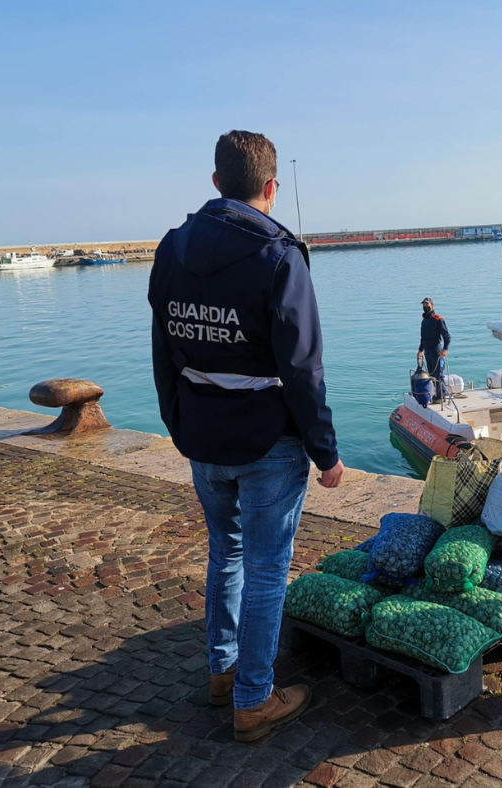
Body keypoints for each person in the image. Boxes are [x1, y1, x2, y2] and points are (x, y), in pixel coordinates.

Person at [148, 130, 345, 741]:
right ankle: (254, 699)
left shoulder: (171, 248)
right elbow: (302, 366)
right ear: (271, 188)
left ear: (215, 183)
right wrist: (326, 451)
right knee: (265, 569)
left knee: (225, 554)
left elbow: (161, 350)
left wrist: (179, 425)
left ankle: (222, 671)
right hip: (268, 444)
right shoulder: (279, 255)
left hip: (203, 437)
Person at [417, 297, 450, 400]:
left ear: (432, 305)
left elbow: (447, 336)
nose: (425, 306)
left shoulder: (438, 319)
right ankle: (437, 394)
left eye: (427, 304)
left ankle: (441, 396)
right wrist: (420, 350)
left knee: (438, 374)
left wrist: (445, 349)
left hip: (436, 351)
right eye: (424, 305)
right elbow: (423, 338)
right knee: (431, 374)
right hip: (427, 351)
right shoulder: (424, 321)